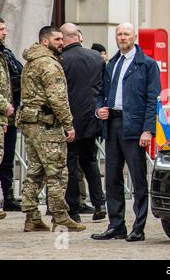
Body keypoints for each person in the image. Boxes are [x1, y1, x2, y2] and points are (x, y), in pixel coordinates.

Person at [91, 23, 161, 242]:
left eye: (126, 34)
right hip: (112, 125)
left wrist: (148, 129)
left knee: (138, 179)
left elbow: (153, 100)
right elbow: (101, 93)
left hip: (135, 127)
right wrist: (98, 108)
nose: (122, 37)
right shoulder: (112, 63)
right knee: (111, 179)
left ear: (135, 37)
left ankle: (138, 228)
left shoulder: (147, 64)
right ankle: (116, 225)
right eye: (119, 34)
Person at [18, 26, 85, 232]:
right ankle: (60, 216)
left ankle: (31, 215)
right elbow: (58, 99)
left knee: (36, 170)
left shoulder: (31, 62)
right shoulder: (49, 64)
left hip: (30, 123)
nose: (61, 43)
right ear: (46, 42)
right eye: (57, 39)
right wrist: (68, 124)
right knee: (57, 172)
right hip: (47, 125)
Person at [60, 23, 107, 223]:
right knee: (90, 161)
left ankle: (73, 210)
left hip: (70, 120)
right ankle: (100, 203)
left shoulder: (60, 60)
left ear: (63, 38)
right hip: (91, 118)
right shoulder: (96, 57)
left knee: (70, 164)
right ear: (78, 37)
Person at [0, 16, 23, 211]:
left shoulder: (3, 54)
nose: (5, 32)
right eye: (1, 29)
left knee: (0, 159)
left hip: (0, 117)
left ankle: (7, 195)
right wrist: (5, 106)